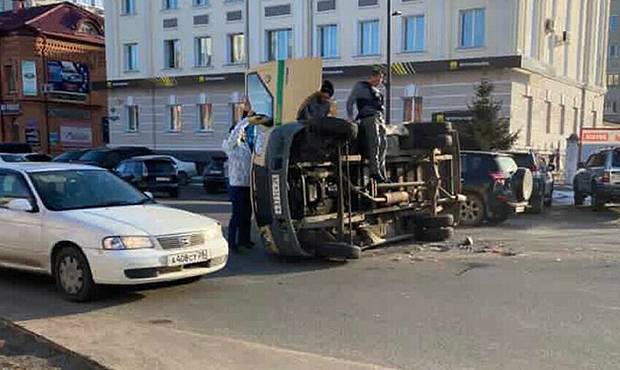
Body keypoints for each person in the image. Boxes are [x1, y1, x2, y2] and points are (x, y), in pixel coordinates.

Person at [346, 70, 387, 182]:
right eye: (379, 78)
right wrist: (350, 117)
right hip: (368, 118)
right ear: (372, 77)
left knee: (383, 144)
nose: (380, 81)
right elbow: (350, 102)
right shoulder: (361, 87)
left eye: (381, 79)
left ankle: (382, 170)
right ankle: (374, 171)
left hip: (379, 118)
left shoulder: (377, 91)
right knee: (375, 142)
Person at [222, 116, 255, 252]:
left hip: (247, 185)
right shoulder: (230, 145)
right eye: (241, 132)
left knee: (247, 214)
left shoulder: (245, 146)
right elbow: (236, 134)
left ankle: (244, 240)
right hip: (236, 185)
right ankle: (232, 242)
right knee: (237, 215)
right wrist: (246, 120)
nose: (243, 134)